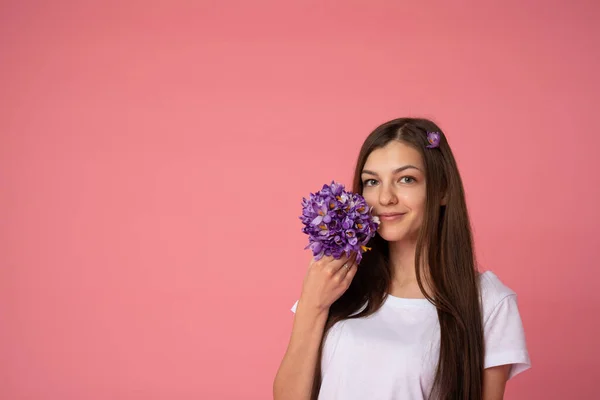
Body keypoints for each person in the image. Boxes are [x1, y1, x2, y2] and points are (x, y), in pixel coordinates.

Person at [273, 117, 531, 400]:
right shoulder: (336, 279)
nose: (384, 198)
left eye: (405, 179)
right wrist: (313, 305)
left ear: (442, 189)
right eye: (372, 181)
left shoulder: (488, 302)